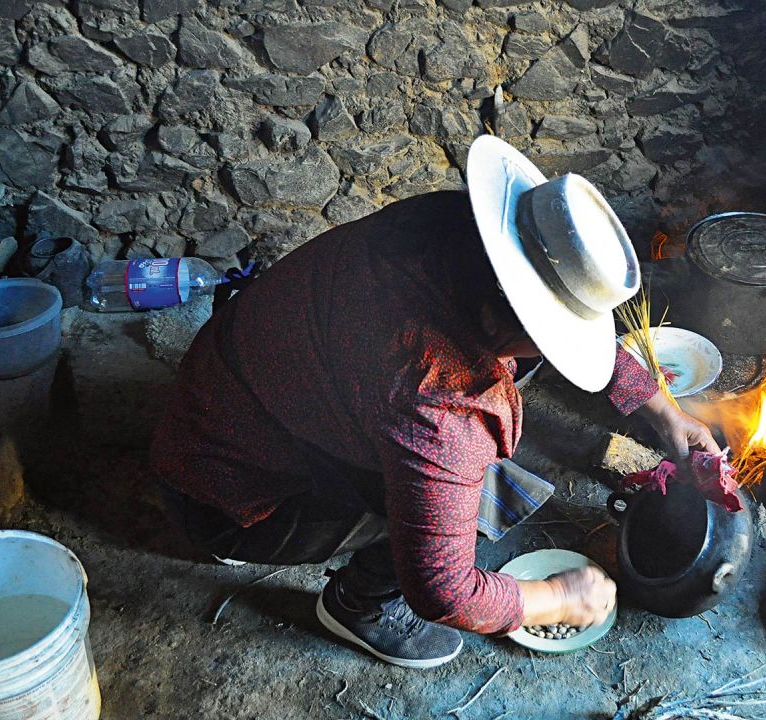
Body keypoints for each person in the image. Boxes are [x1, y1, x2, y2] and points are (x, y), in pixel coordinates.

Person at [152, 136, 720, 668]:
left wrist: (664, 412)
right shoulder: (444, 405)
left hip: (229, 390)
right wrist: (553, 597)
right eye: (560, 329)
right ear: (522, 315)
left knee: (473, 479)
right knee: (475, 509)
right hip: (230, 497)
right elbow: (444, 590)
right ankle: (358, 606)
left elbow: (553, 318)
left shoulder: (449, 226)